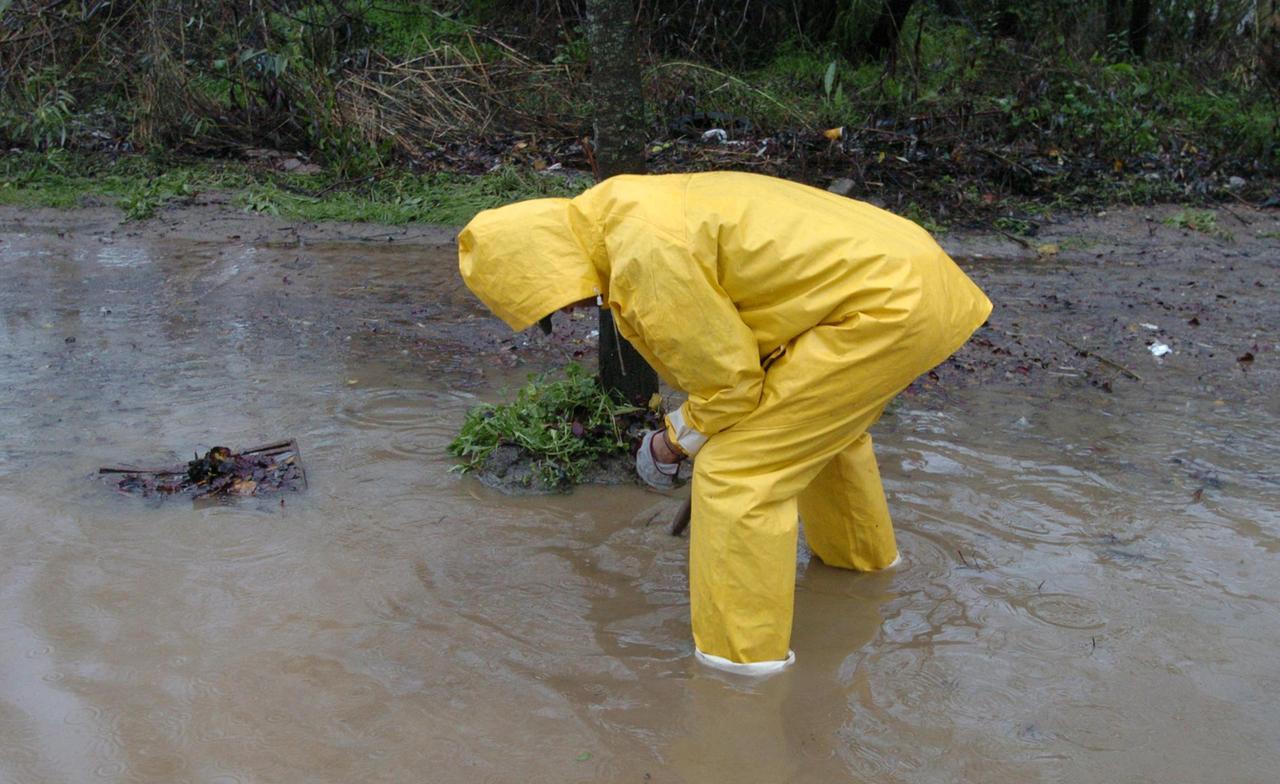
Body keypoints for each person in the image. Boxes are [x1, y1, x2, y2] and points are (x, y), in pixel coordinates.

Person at [458, 171, 992, 674]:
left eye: (557, 301)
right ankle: (862, 574)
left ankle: (739, 669)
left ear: (547, 263)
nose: (571, 310)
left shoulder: (643, 256)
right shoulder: (616, 213)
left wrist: (673, 442)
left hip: (881, 307)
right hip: (908, 274)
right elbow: (746, 326)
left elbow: (729, 387)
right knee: (818, 436)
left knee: (739, 472)